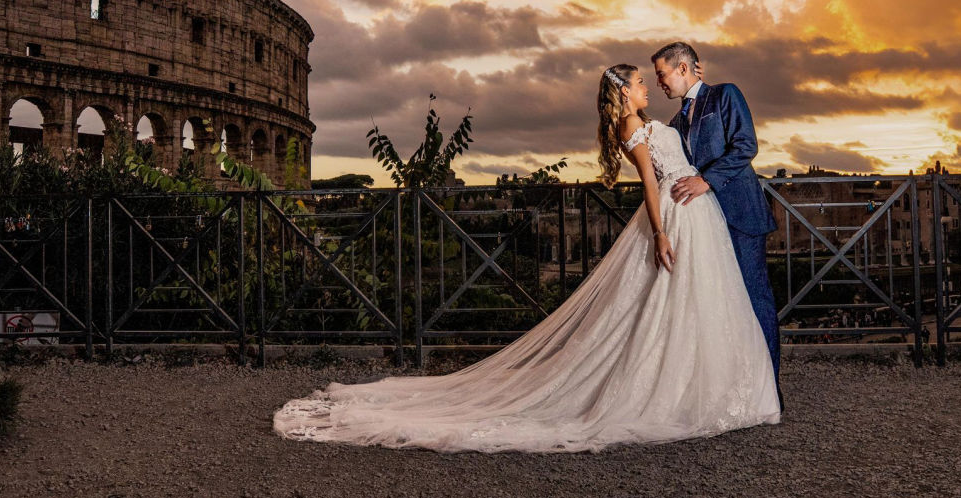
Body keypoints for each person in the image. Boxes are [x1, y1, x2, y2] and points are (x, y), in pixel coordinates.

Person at [273, 63, 781, 453]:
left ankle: (702, 383)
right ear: (624, 92)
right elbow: (650, 181)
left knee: (696, 302)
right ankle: (684, 390)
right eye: (641, 82)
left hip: (696, 211)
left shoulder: (650, 120)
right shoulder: (634, 126)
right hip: (677, 212)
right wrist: (660, 232)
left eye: (654, 78)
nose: (649, 86)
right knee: (677, 302)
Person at [651, 42, 781, 385]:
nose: (659, 83)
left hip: (741, 217)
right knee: (721, 305)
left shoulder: (725, 95)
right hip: (705, 226)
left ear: (683, 68)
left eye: (661, 75)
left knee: (755, 300)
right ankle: (736, 385)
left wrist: (706, 181)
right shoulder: (675, 122)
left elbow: (745, 145)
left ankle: (769, 388)